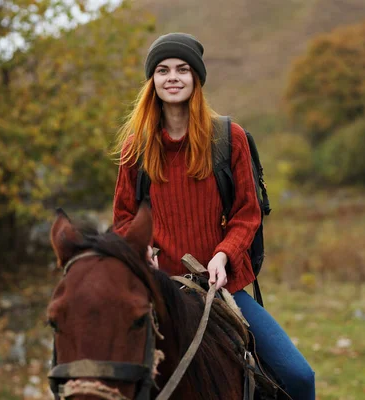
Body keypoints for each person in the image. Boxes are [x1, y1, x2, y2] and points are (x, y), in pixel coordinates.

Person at [112, 32, 315, 400]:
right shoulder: (136, 148)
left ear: (197, 78)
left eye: (182, 69)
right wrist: (139, 249)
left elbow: (247, 214)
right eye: (162, 70)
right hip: (160, 294)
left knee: (300, 378)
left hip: (221, 292)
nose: (172, 77)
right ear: (152, 81)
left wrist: (223, 254)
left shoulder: (228, 138)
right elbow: (124, 218)